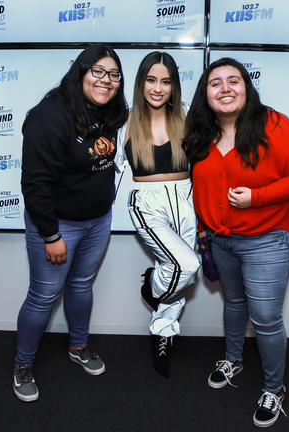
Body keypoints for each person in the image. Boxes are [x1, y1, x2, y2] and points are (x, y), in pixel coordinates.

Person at [182, 57, 289, 427]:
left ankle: (275, 388)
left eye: (233, 80)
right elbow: (202, 187)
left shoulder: (275, 125)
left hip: (267, 240)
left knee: (267, 319)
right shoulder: (202, 133)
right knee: (234, 303)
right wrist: (204, 229)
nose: (225, 88)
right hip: (220, 241)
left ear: (246, 86)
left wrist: (257, 198)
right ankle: (234, 359)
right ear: (205, 94)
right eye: (215, 83)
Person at [12, 44, 128, 402]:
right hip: (59, 226)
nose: (106, 81)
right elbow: (34, 184)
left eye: (113, 75)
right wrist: (51, 234)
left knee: (81, 285)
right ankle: (22, 366)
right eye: (97, 71)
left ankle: (78, 348)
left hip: (98, 220)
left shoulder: (109, 112)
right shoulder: (50, 116)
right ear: (80, 71)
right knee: (44, 295)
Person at [116, 51, 199, 378]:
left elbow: (207, 164)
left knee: (177, 267)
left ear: (174, 85)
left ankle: (162, 332)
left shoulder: (187, 115)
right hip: (148, 203)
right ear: (141, 83)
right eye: (151, 79)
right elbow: (104, 172)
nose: (158, 87)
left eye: (166, 81)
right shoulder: (125, 120)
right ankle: (152, 286)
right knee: (185, 265)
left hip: (186, 198)